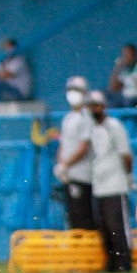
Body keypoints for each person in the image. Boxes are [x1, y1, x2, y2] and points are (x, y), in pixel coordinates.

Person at [87, 91, 135, 273]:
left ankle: (124, 262)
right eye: (91, 106)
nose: (94, 110)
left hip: (115, 184)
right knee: (105, 227)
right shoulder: (94, 129)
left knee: (118, 226)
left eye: (97, 106)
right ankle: (112, 263)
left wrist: (129, 176)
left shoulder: (114, 126)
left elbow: (126, 154)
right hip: (100, 185)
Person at [55, 76, 96, 231]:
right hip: (69, 174)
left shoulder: (86, 117)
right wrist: (61, 164)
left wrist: (66, 164)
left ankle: (86, 252)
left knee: (82, 216)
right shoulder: (68, 118)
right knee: (72, 216)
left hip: (82, 175)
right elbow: (63, 144)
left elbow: (83, 146)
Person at [107, 43, 137, 108]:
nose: (125, 57)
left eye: (128, 54)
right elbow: (113, 88)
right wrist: (117, 68)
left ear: (135, 54)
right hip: (125, 98)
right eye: (124, 55)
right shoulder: (124, 70)